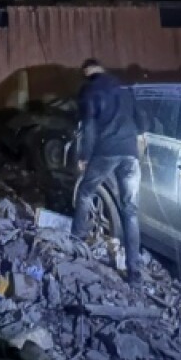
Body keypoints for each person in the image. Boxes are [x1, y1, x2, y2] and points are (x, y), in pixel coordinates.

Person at [71, 58, 145, 287]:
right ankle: (134, 272)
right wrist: (139, 143)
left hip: (105, 151)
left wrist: (84, 157)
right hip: (130, 153)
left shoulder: (90, 90)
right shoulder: (123, 88)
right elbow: (141, 121)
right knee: (130, 211)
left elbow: (89, 127)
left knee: (85, 193)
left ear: (87, 71)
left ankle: (76, 242)